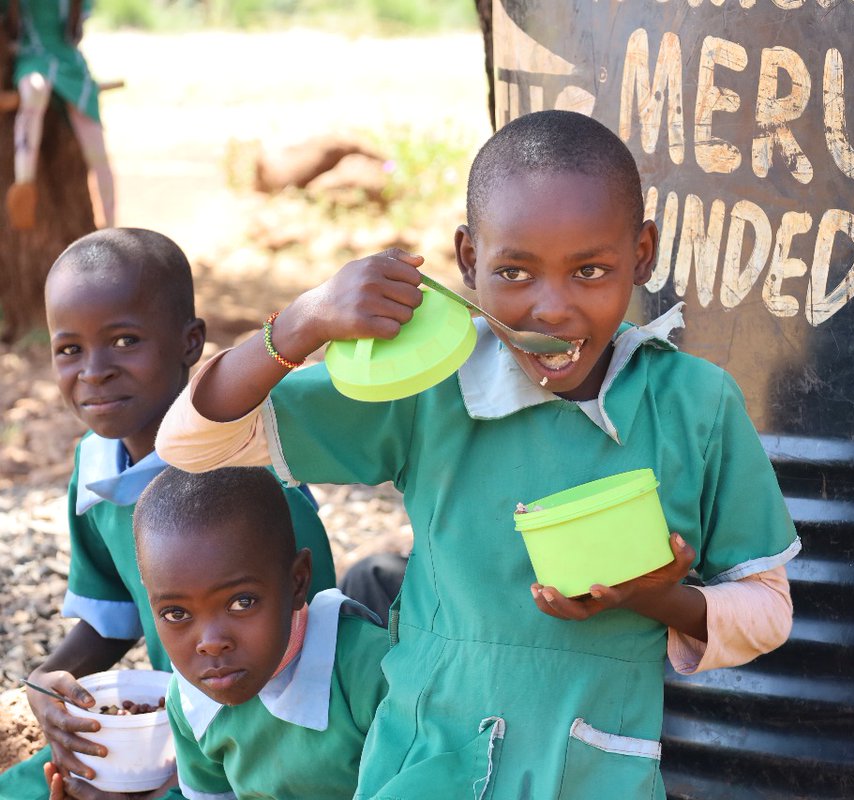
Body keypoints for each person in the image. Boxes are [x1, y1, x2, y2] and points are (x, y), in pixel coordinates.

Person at [157, 110, 800, 799]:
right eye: (514, 272)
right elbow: (194, 442)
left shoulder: (694, 405)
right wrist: (303, 321)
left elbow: (767, 611)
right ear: (468, 259)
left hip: (593, 774)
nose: (552, 309)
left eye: (590, 270)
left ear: (641, 253)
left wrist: (657, 598)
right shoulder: (431, 387)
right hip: (427, 762)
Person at [0, 228, 337, 800]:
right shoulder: (96, 465)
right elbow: (113, 613)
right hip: (166, 728)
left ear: (190, 342)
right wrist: (48, 684)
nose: (94, 370)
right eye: (69, 349)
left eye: (124, 340)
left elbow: (316, 655)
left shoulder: (251, 478)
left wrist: (176, 779)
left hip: (267, 746)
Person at [122, 465, 388, 800]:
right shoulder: (190, 699)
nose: (211, 643)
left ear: (298, 582)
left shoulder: (372, 672)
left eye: (241, 602)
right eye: (176, 613)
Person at [3, 0, 115, 230]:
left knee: (96, 145)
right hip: (32, 58)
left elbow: (75, 33)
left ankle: (112, 226)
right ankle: (23, 184)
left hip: (69, 63)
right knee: (34, 90)